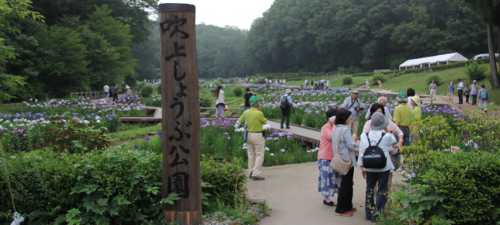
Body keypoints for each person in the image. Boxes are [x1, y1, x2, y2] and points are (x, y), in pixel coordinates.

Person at [358, 112, 398, 222]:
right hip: (383, 167)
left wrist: (361, 166)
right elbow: (394, 144)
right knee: (382, 189)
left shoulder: (363, 135)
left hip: (369, 166)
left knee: (369, 189)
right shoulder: (387, 136)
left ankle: (368, 213)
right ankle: (378, 213)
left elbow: (361, 151)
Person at [332, 108, 359, 217]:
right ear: (345, 118)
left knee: (345, 184)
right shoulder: (345, 129)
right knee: (346, 185)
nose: (351, 118)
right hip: (347, 161)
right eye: (349, 117)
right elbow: (351, 145)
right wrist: (361, 146)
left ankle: (348, 206)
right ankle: (341, 209)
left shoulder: (336, 128)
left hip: (340, 159)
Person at [239, 96, 268, 181]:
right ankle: (256, 173)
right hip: (258, 135)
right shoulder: (259, 113)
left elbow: (239, 121)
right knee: (259, 154)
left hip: (248, 135)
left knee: (251, 154)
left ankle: (250, 172)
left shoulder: (246, 112)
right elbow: (265, 122)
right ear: (257, 103)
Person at [318, 108, 338, 207]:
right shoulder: (325, 127)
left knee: (331, 177)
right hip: (325, 157)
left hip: (332, 156)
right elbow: (331, 137)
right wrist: (334, 124)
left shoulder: (332, 126)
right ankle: (326, 199)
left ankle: (329, 197)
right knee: (326, 178)